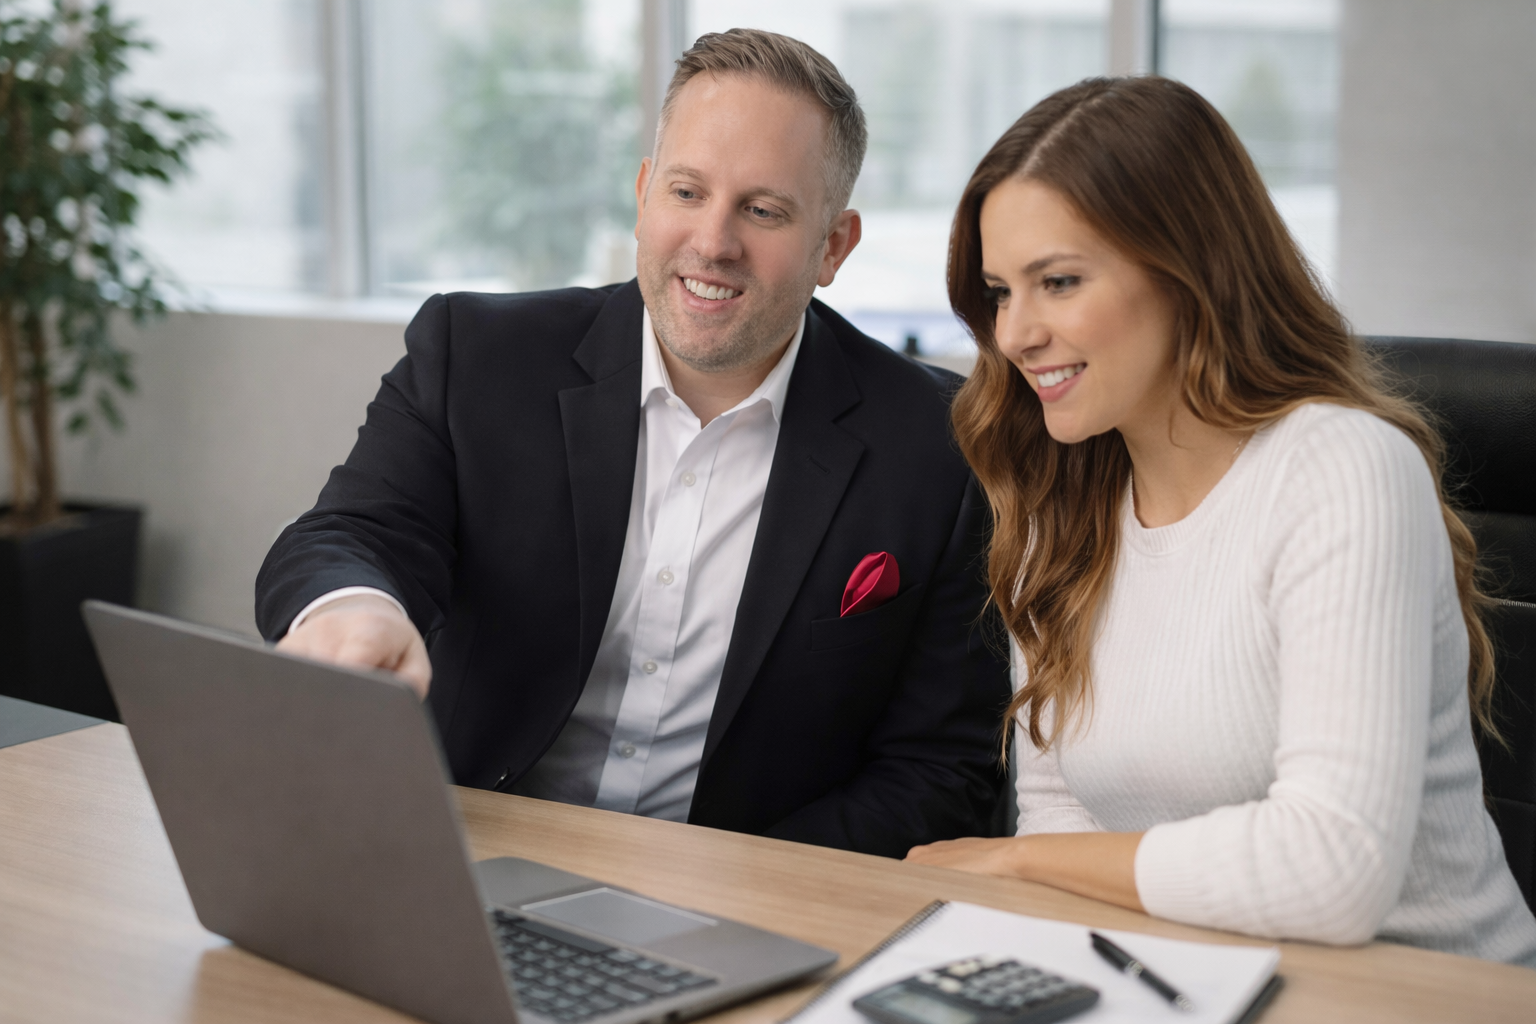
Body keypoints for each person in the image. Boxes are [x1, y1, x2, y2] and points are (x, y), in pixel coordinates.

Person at [255, 29, 1011, 858]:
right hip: (461, 858)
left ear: (833, 245)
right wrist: (357, 606)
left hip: (739, 902)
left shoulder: (944, 446)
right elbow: (349, 534)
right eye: (687, 191)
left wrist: (721, 892)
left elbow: (941, 774)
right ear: (645, 192)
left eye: (763, 210)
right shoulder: (474, 354)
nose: (714, 241)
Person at [905, 76, 1536, 965]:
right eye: (1001, 292)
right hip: (1194, 976)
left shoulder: (1343, 470)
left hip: (1423, 992)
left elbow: (1335, 868)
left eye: (1057, 281)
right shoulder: (1058, 505)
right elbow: (1062, 820)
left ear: (1188, 271)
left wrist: (1016, 862)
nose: (1013, 335)